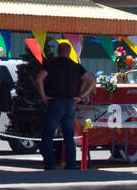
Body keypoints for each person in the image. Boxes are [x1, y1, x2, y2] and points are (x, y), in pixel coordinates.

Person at [35, 40, 94, 170]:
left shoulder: (50, 64)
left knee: (47, 135)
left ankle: (50, 165)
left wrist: (43, 95)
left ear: (58, 51)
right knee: (69, 136)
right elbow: (91, 81)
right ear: (69, 52)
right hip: (70, 103)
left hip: (55, 101)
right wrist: (81, 96)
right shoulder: (76, 66)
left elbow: (39, 78)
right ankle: (71, 166)